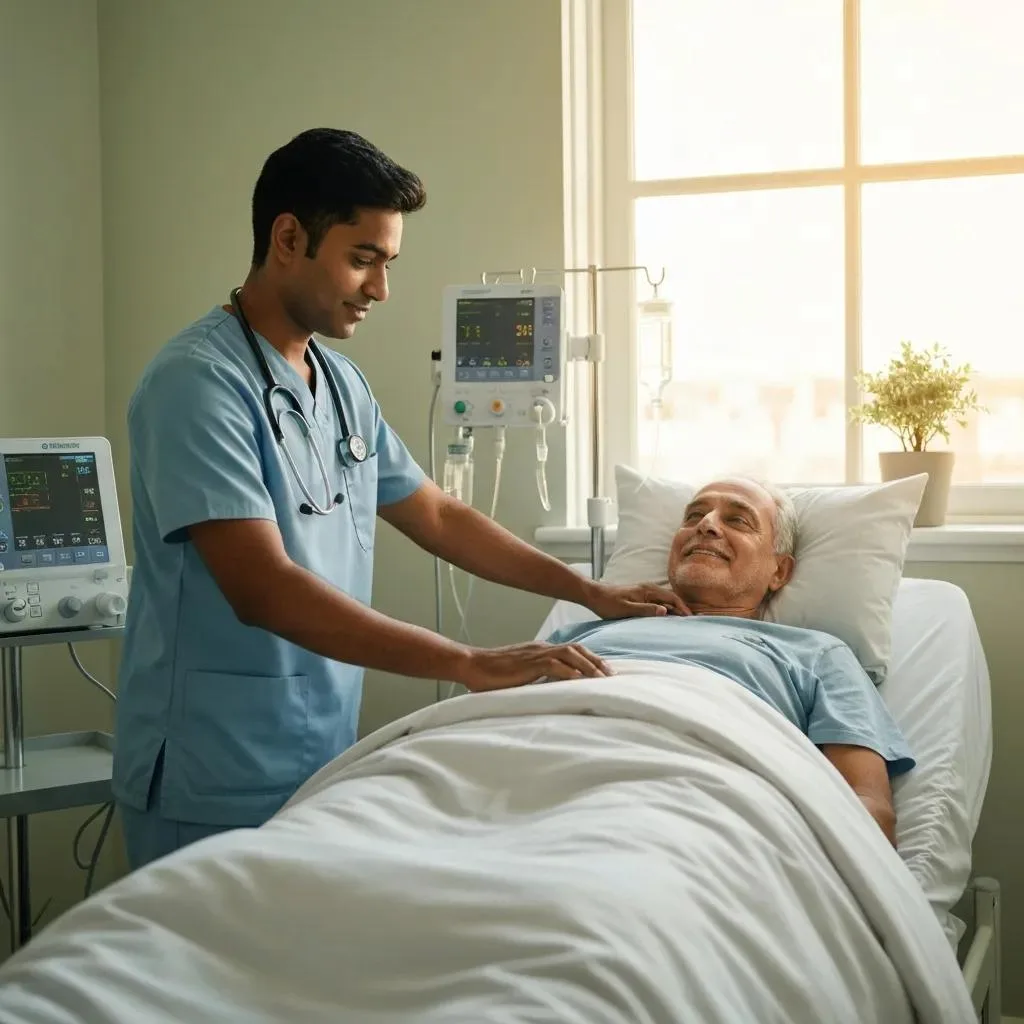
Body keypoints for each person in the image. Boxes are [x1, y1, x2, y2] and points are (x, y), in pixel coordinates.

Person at [113, 128, 687, 870]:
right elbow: (263, 588)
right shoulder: (196, 385)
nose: (381, 290)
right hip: (209, 773)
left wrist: (588, 590)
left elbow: (439, 516)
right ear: (288, 237)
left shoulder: (340, 384)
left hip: (317, 759)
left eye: (388, 263)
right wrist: (468, 661)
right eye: (362, 260)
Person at [547, 476, 915, 847]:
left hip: (691, 809)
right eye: (693, 516)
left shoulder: (817, 654)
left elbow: (869, 808)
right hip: (545, 768)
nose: (706, 525)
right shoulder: (579, 635)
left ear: (779, 572)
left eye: (738, 520)